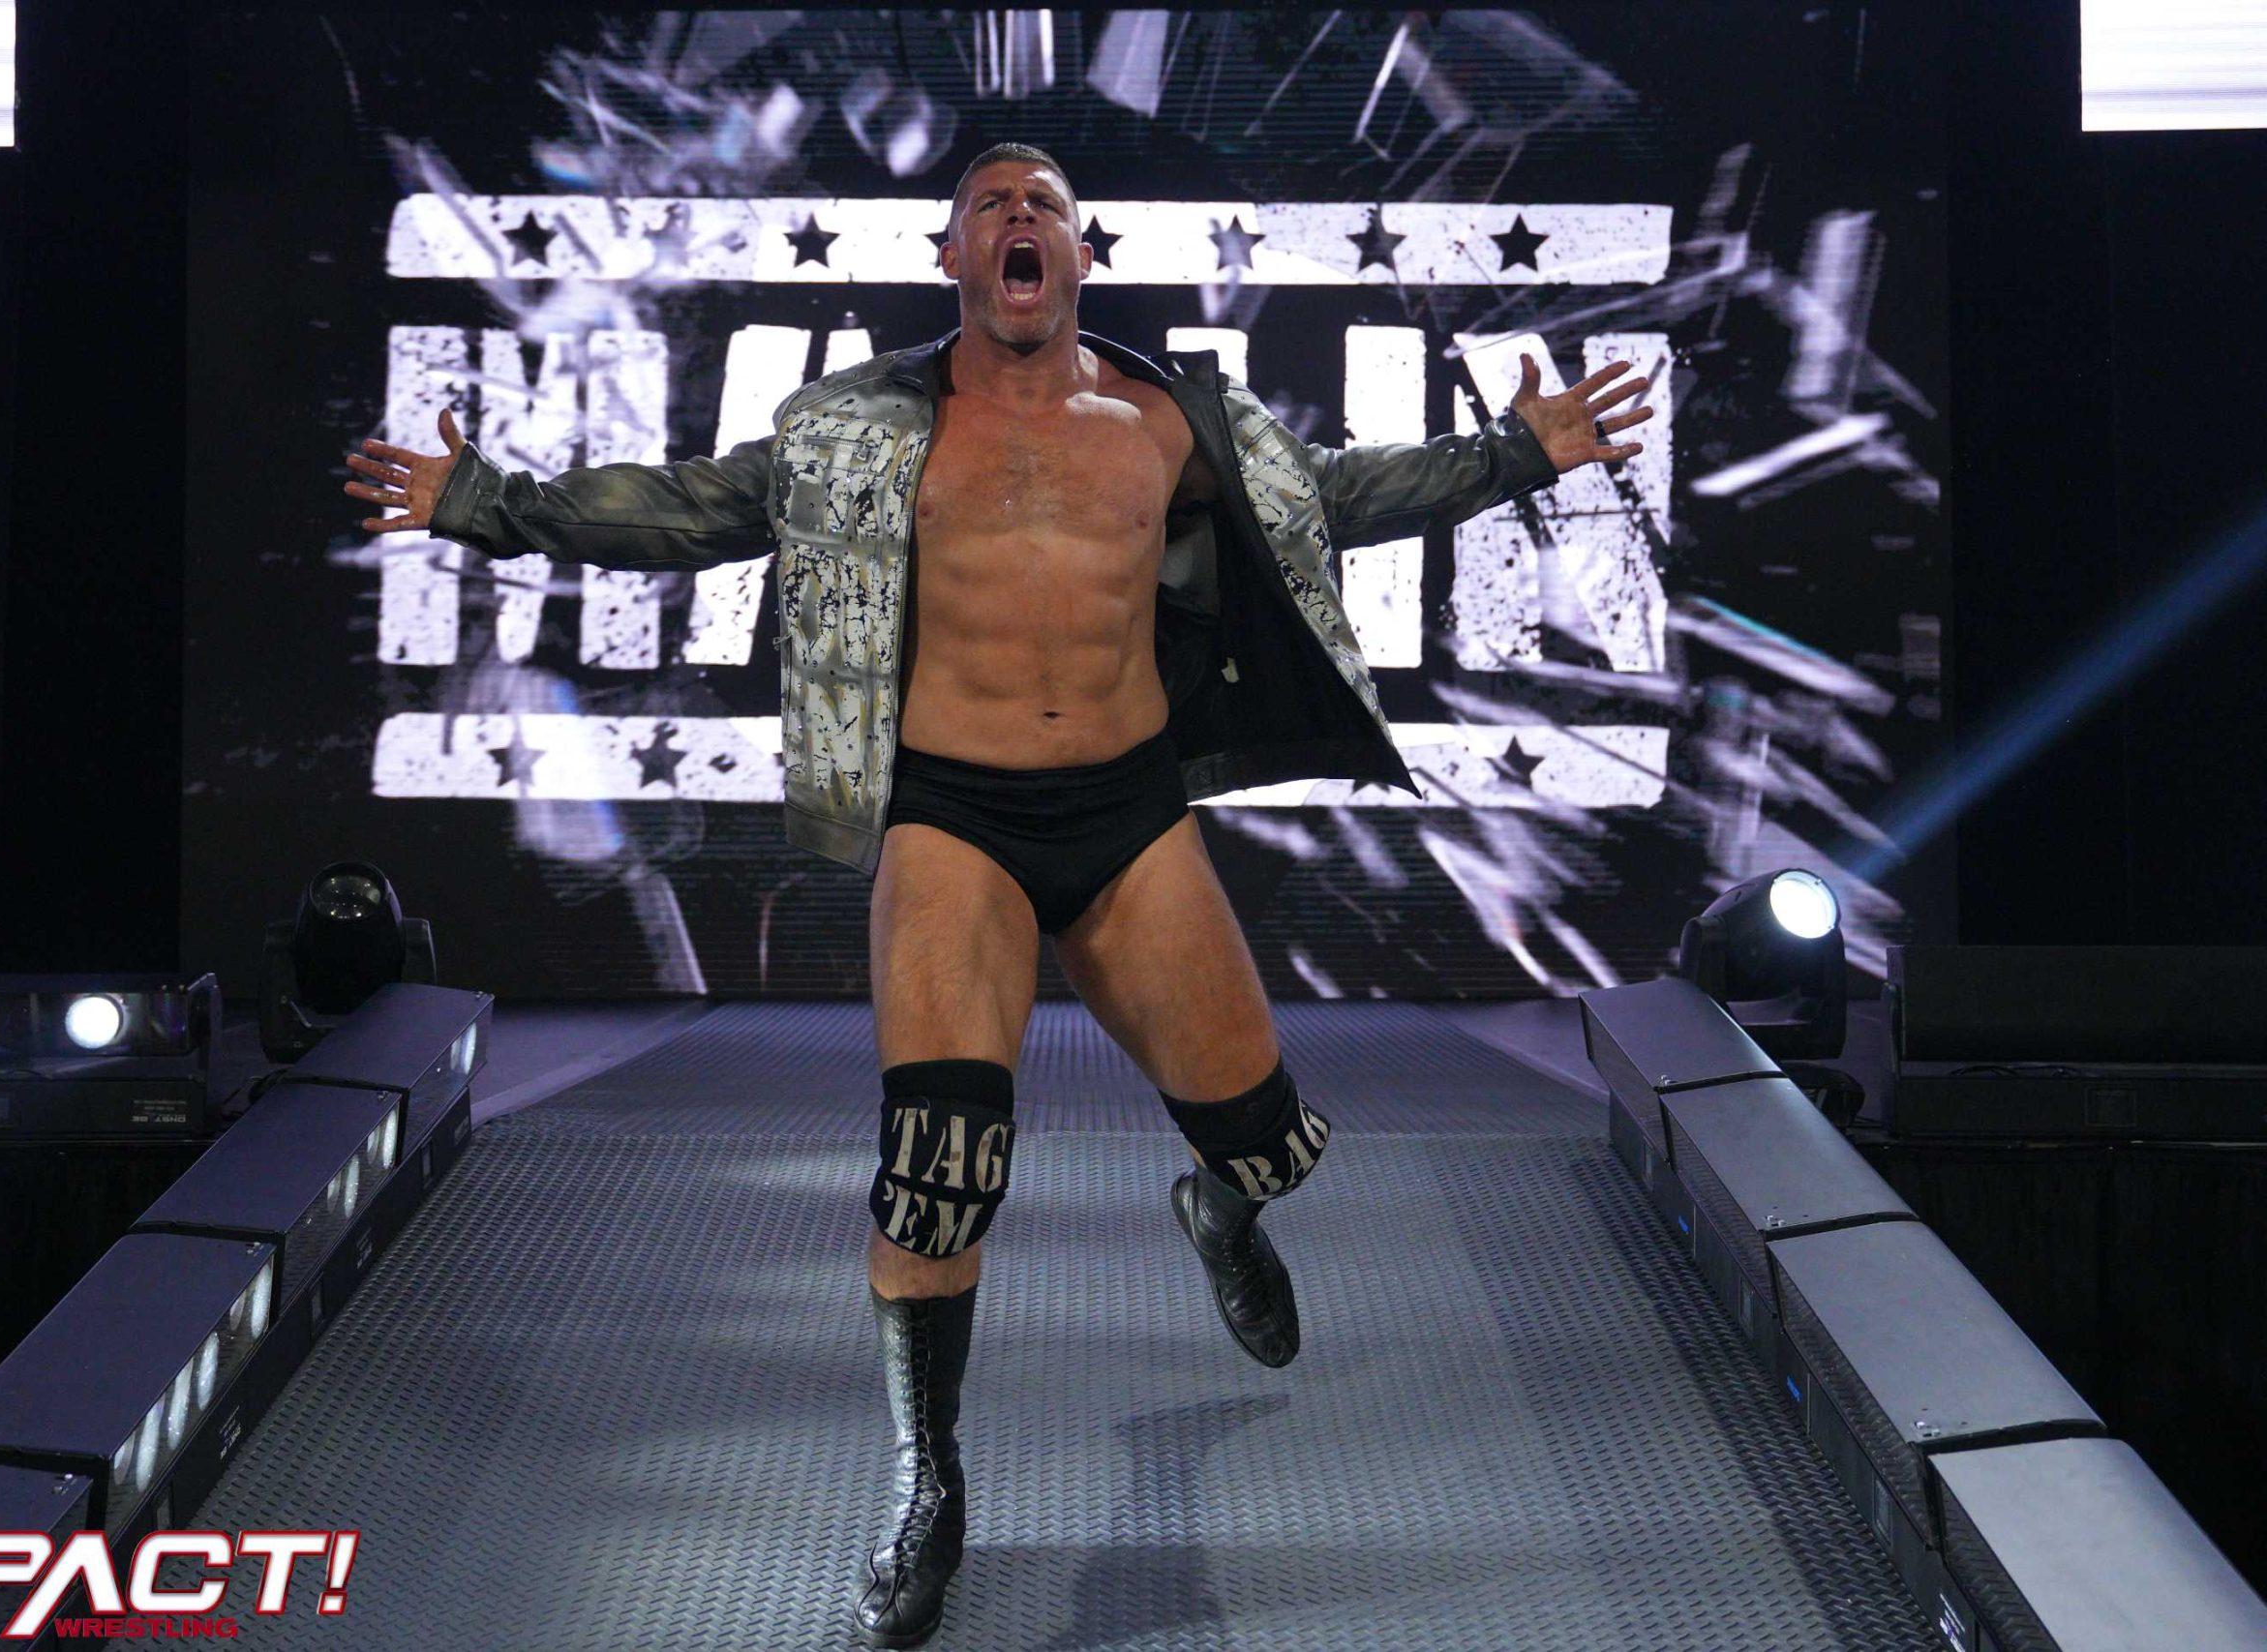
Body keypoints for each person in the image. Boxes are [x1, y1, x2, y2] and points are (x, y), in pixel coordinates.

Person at [346, 141, 1650, 1647]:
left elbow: (1338, 497)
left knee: (1271, 1140)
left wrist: (1512, 457)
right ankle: (928, 1478)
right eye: (991, 207)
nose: (1020, 219)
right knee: (939, 1164)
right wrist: (486, 502)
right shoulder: (852, 429)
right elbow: (690, 509)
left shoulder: (1170, 419)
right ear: (951, 256)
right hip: (952, 814)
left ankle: (1219, 1215)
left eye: (1044, 206)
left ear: (1082, 254)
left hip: (1128, 810)